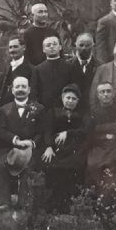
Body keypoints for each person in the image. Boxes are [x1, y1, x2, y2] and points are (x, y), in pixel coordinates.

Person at [0, 74, 42, 214]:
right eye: (17, 87)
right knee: (0, 166)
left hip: (30, 148)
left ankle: (24, 203)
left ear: (29, 90)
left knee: (29, 167)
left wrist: (31, 142)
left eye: (23, 87)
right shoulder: (4, 109)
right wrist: (15, 140)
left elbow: (41, 132)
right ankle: (4, 202)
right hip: (9, 147)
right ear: (12, 90)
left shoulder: (38, 109)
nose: (20, 89)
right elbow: (0, 131)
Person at [38, 84, 86, 214]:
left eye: (73, 99)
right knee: (54, 167)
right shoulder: (53, 112)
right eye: (68, 98)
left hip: (74, 149)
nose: (70, 101)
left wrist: (68, 133)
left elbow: (84, 131)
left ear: (78, 101)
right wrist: (48, 147)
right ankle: (54, 204)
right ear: (62, 98)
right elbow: (47, 131)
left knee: (72, 168)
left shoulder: (82, 114)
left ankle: (69, 204)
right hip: (56, 148)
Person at [84, 82, 116, 206]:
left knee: (114, 165)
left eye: (108, 91)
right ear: (98, 95)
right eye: (102, 92)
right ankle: (95, 200)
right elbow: (88, 134)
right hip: (98, 146)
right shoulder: (92, 112)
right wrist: (104, 136)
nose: (105, 94)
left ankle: (111, 202)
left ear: (113, 93)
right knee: (93, 165)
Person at [30, 34, 82, 113]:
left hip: (65, 110)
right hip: (44, 111)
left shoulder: (70, 67)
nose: (51, 47)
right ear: (43, 49)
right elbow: (34, 92)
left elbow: (75, 88)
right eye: (48, 45)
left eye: (54, 44)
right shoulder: (37, 69)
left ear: (60, 47)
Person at [0, 37, 32, 102]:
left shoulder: (31, 69)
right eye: (10, 47)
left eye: (15, 47)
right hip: (4, 105)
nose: (12, 50)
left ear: (24, 47)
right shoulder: (7, 66)